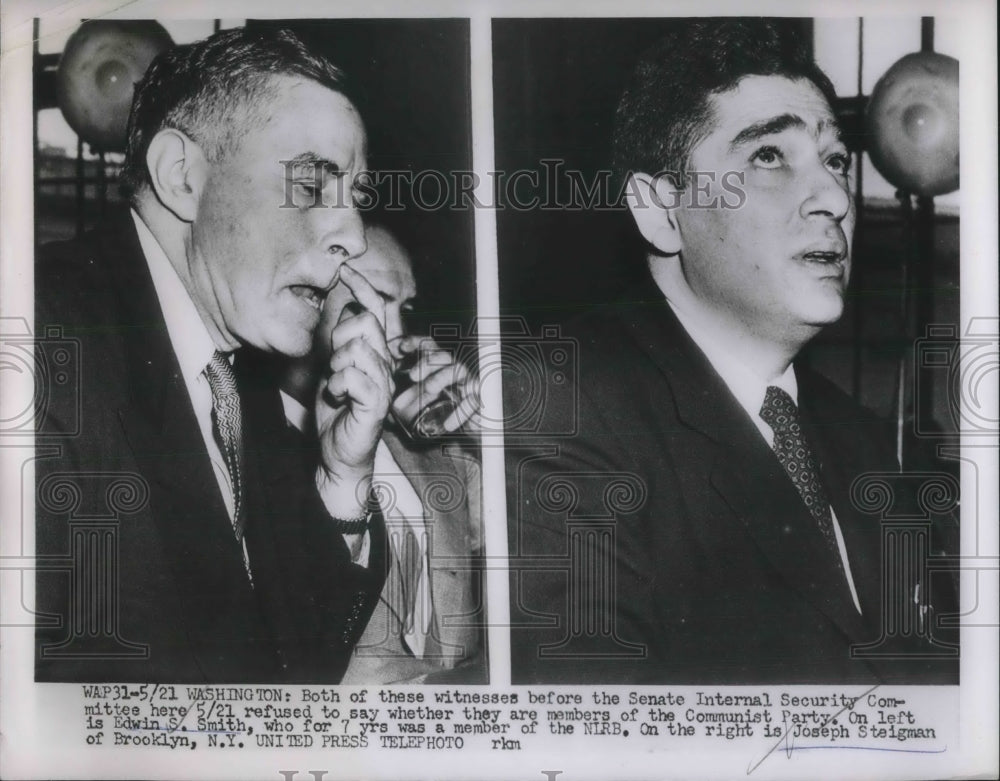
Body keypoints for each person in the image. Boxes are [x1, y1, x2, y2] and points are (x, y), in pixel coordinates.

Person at [507, 19, 959, 684]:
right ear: (661, 210)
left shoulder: (862, 439)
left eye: (836, 160)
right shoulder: (565, 407)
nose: (835, 198)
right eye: (771, 156)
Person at [34, 27, 392, 682]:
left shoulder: (238, 376)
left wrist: (343, 477)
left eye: (357, 199)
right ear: (182, 176)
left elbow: (295, 672)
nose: (354, 235)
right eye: (313, 185)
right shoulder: (38, 347)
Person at [282, 225, 485, 684]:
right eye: (370, 301)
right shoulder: (252, 450)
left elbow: (534, 549)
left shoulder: (428, 443)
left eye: (403, 308)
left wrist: (482, 430)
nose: (394, 330)